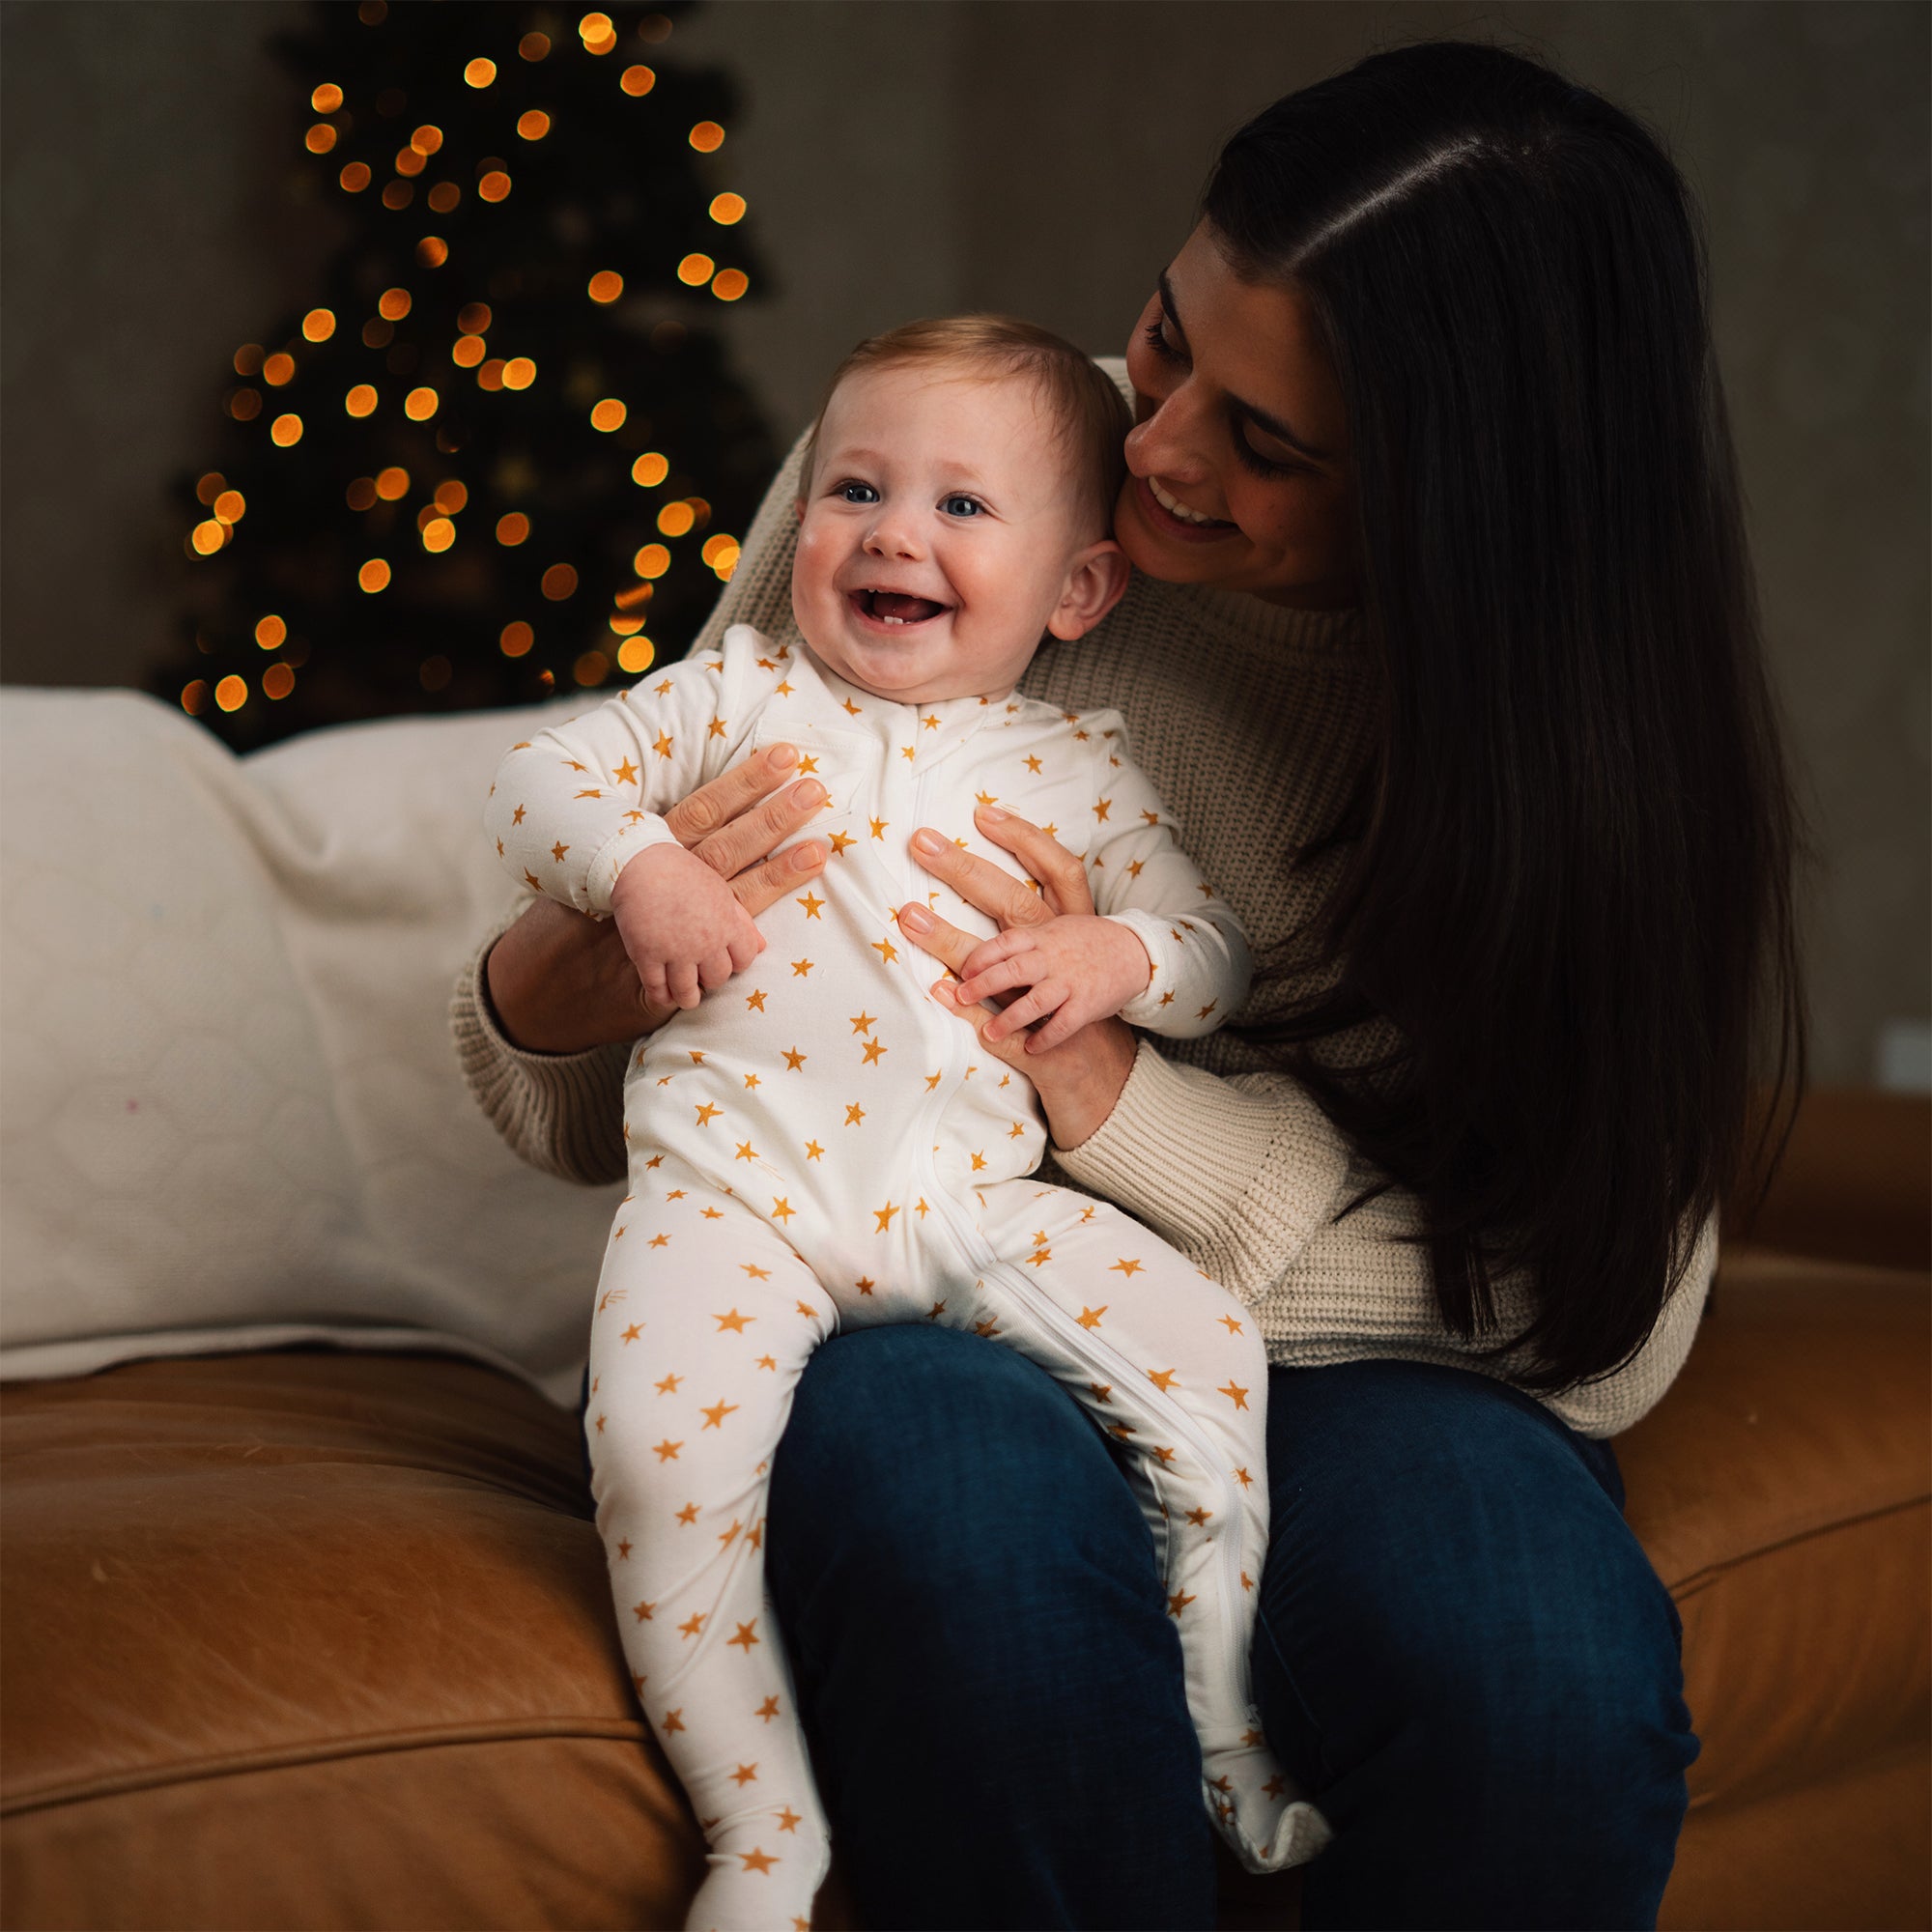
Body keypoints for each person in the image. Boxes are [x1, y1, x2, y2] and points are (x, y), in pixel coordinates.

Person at [452, 42, 1803, 1931]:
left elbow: (1597, 1324)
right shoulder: (949, 463)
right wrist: (570, 972)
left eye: (1267, 442)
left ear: (1473, 499)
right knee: (975, 1553)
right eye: (1165, 341)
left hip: (1365, 1359)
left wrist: (1111, 1099)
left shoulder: (1590, 752)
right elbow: (603, 1035)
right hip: (890, 1260)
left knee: (1538, 1691)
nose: (1151, 447)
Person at [483, 316, 1325, 1932]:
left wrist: (1115, 958)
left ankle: (1223, 1723)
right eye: (856, 487)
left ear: (1076, 593)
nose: (891, 532)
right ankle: (760, 1829)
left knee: (1210, 1355)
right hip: (733, 1203)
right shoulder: (732, 694)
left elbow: (1214, 959)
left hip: (970, 1206)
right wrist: (641, 868)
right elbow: (538, 778)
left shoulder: (1083, 765)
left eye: (959, 509)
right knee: (660, 1465)